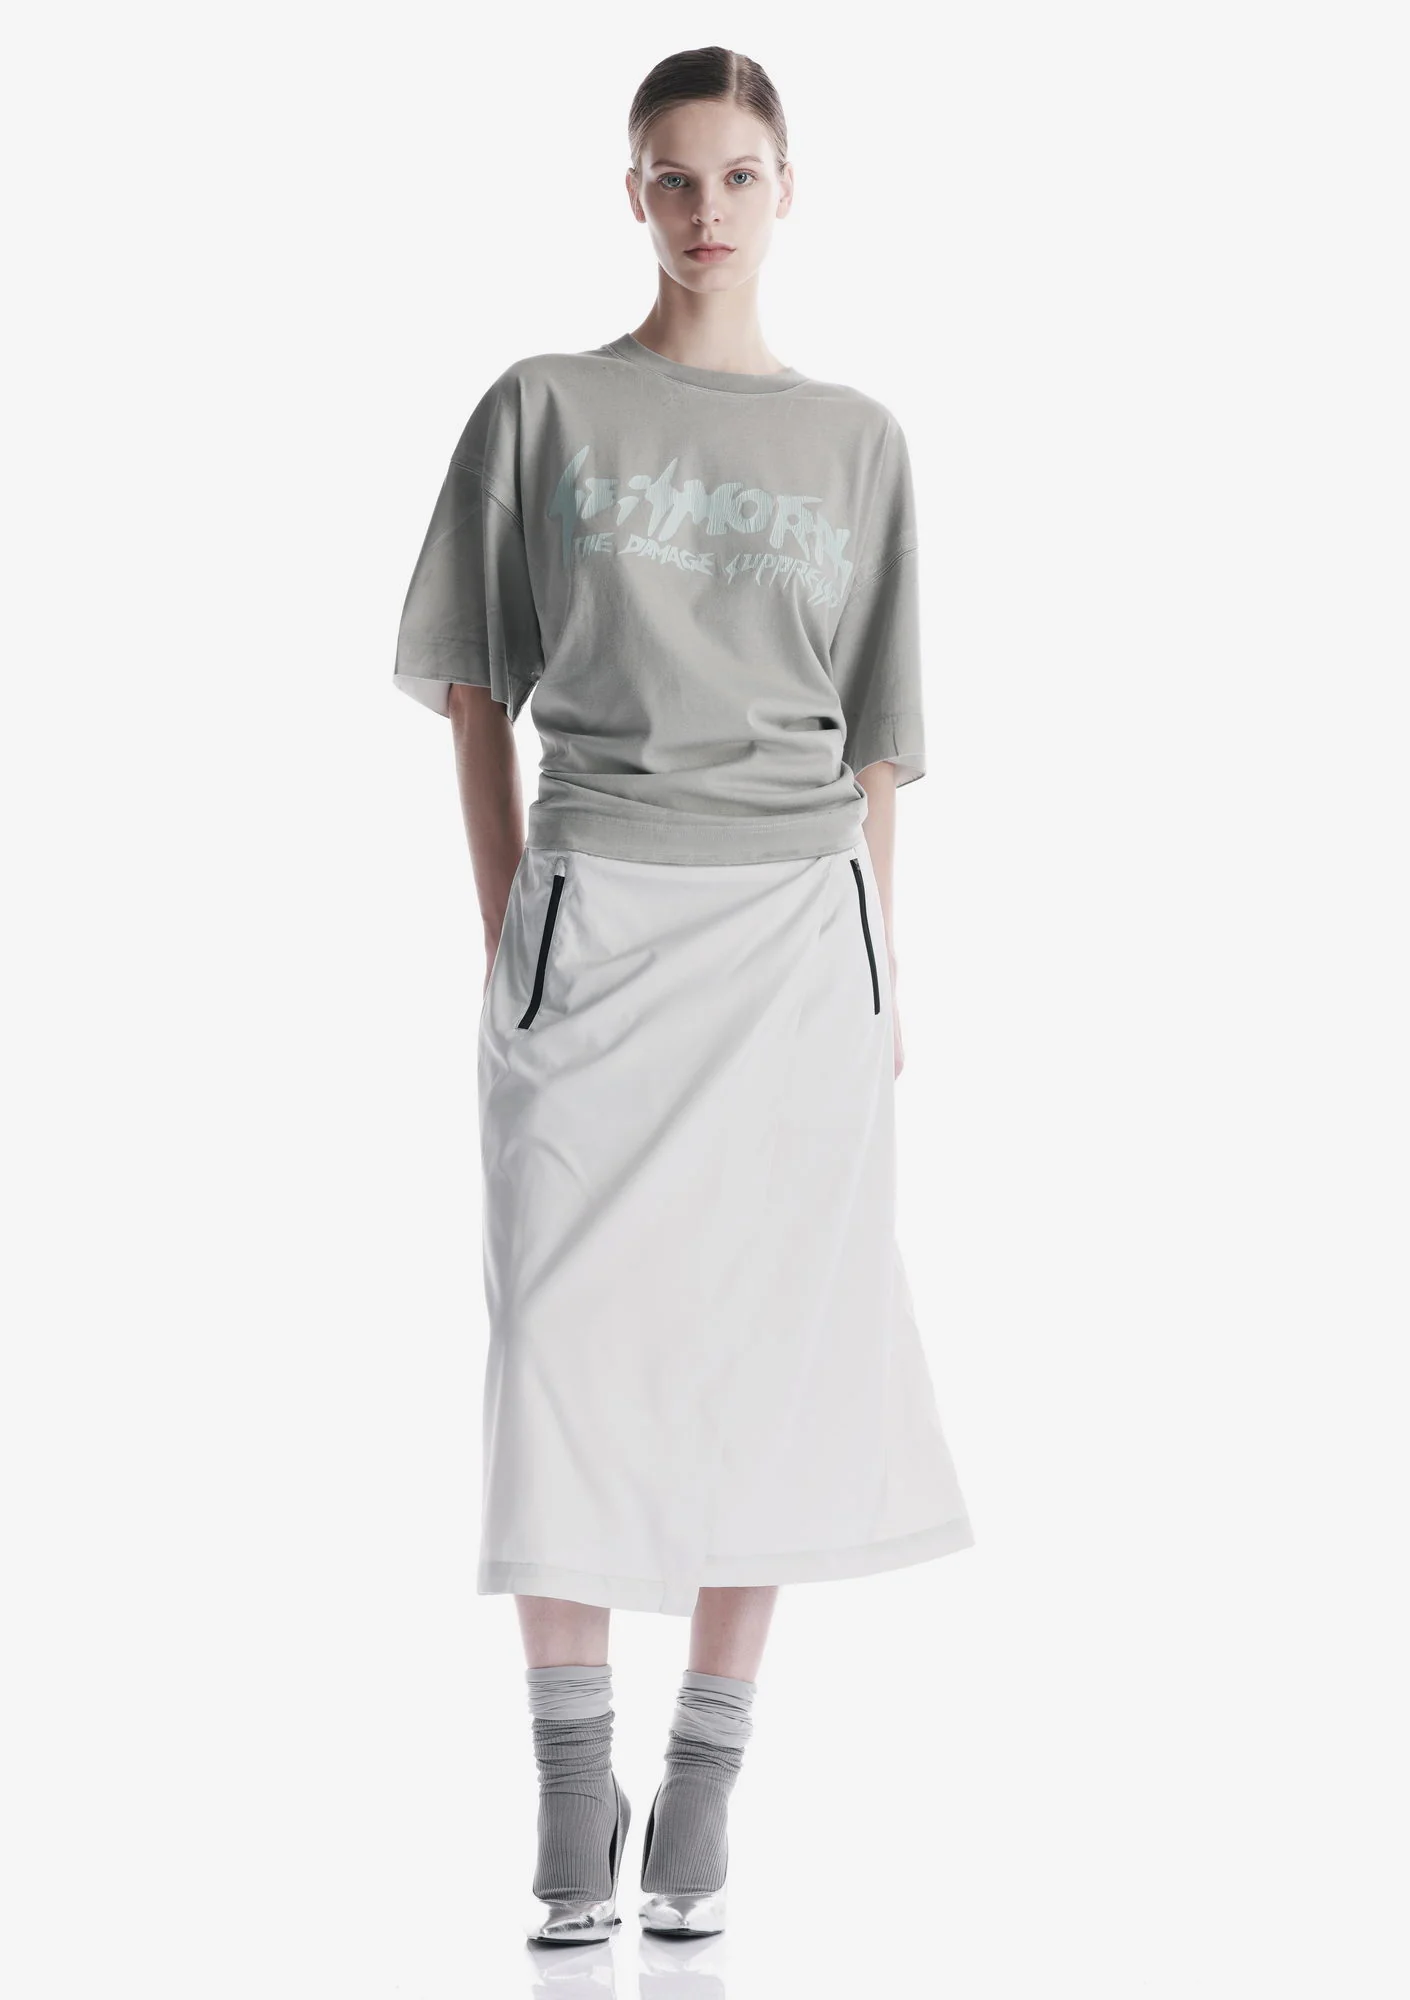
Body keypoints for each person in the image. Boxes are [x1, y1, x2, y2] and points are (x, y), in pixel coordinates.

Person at [391, 44, 975, 1947]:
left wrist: (882, 972)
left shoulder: (858, 441)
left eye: (735, 175)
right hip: (597, 917)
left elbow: (876, 740)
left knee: (776, 1341)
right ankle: (572, 1773)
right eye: (670, 176)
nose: (704, 211)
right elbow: (472, 688)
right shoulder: (542, 408)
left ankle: (707, 1766)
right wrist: (510, 924)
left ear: (787, 188)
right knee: (560, 1339)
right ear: (628, 192)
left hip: (800, 935)